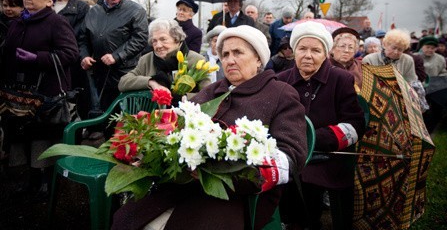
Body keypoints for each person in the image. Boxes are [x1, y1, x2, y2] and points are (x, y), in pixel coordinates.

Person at [112, 25, 308, 230]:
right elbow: (180, 123)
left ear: (258, 59)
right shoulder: (214, 90)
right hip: (183, 183)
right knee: (127, 219)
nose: (229, 60)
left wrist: (233, 171)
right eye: (225, 54)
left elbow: (291, 154)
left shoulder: (280, 93)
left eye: (238, 53)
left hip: (235, 194)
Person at [276, 22, 365, 230]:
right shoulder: (280, 80)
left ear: (325, 54)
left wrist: (315, 138)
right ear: (293, 51)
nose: (308, 55)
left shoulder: (341, 79)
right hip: (290, 153)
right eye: (302, 49)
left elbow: (356, 124)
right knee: (286, 178)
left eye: (315, 50)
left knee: (307, 181)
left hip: (328, 156)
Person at [0, 0, 79, 198]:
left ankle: (46, 182)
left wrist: (38, 57)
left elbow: (71, 53)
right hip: (18, 92)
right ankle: (31, 180)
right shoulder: (17, 22)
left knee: (42, 138)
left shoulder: (56, 22)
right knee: (23, 135)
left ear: (49, 1)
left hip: (46, 92)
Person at [79, 0, 148, 111]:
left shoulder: (136, 10)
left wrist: (117, 56)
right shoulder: (93, 11)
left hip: (124, 73)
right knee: (100, 111)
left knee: (124, 113)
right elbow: (83, 38)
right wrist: (84, 56)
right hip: (98, 72)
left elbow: (140, 38)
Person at [118, 19, 210, 99]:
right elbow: (123, 82)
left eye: (163, 39)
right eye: (154, 41)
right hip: (153, 117)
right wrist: (151, 82)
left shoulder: (197, 60)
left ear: (176, 39)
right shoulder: (146, 60)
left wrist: (186, 97)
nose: (158, 45)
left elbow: (208, 94)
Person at [45, 0, 91, 118]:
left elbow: (81, 35)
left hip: (72, 63)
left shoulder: (81, 7)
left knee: (73, 100)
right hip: (47, 61)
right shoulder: (44, 6)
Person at [1, 0, 24, 64]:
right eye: (5, 5)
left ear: (22, 7)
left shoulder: (27, 24)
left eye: (12, 6)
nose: (8, 9)